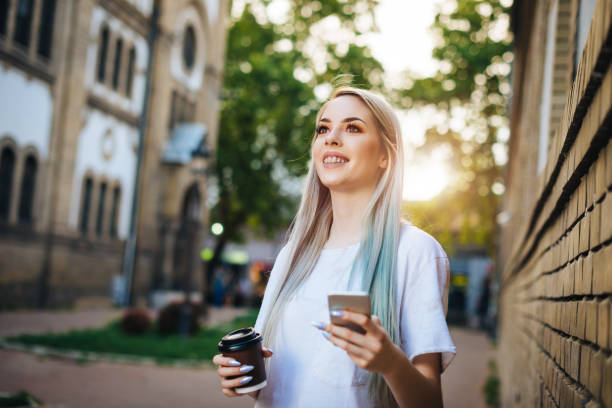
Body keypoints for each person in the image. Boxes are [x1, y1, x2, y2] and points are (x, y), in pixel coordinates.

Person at [213, 87, 456, 407]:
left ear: (386, 155)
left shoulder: (414, 252)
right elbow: (271, 389)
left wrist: (390, 363)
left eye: (353, 127)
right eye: (323, 128)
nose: (331, 137)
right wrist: (241, 376)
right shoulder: (292, 256)